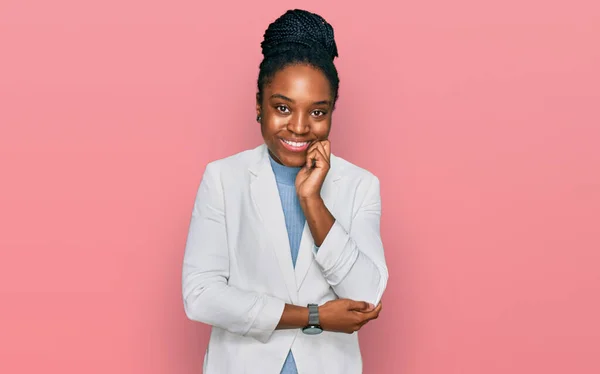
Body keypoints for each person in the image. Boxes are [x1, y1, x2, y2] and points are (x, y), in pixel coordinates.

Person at [182, 9, 388, 374]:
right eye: (282, 107)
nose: (298, 126)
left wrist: (312, 200)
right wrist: (314, 316)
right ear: (259, 105)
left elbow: (367, 296)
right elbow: (201, 296)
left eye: (318, 112)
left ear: (331, 112)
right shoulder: (223, 179)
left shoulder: (360, 185)